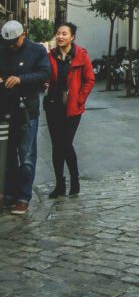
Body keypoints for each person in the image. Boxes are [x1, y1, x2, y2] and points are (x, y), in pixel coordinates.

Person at [0, 19, 51, 215]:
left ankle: (23, 196)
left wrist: (21, 79)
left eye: (15, 42)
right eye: (8, 43)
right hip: (6, 107)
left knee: (27, 154)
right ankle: (11, 193)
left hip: (27, 109)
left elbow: (45, 73)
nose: (11, 47)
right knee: (8, 154)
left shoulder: (37, 50)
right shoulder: (4, 48)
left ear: (23, 35)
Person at [44, 22, 95, 198]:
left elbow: (90, 79)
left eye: (64, 34)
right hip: (53, 106)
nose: (60, 37)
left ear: (72, 37)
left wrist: (80, 98)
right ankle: (60, 185)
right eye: (58, 33)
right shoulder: (51, 56)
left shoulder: (81, 55)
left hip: (72, 108)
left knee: (65, 144)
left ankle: (75, 179)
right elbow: (46, 75)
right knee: (56, 147)